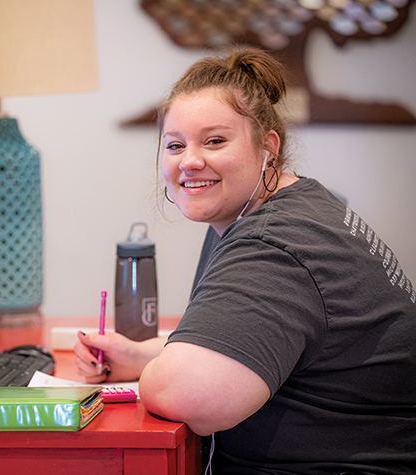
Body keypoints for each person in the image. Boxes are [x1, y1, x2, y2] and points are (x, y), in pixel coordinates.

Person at [74, 48, 416, 473]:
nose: (190, 161)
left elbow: (187, 394)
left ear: (267, 147)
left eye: (215, 140)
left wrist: (158, 372)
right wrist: (141, 354)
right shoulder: (284, 207)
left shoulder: (276, 244)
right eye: (175, 145)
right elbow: (248, 340)